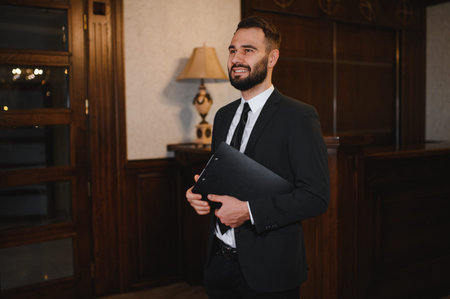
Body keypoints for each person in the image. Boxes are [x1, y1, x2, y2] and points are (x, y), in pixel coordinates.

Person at [186, 16, 330, 299]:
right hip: (218, 263)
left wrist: (249, 212)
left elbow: (316, 196)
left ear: (272, 57)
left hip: (271, 270)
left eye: (248, 50)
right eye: (232, 50)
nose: (236, 58)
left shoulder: (299, 116)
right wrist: (199, 194)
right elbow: (225, 180)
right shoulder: (222, 116)